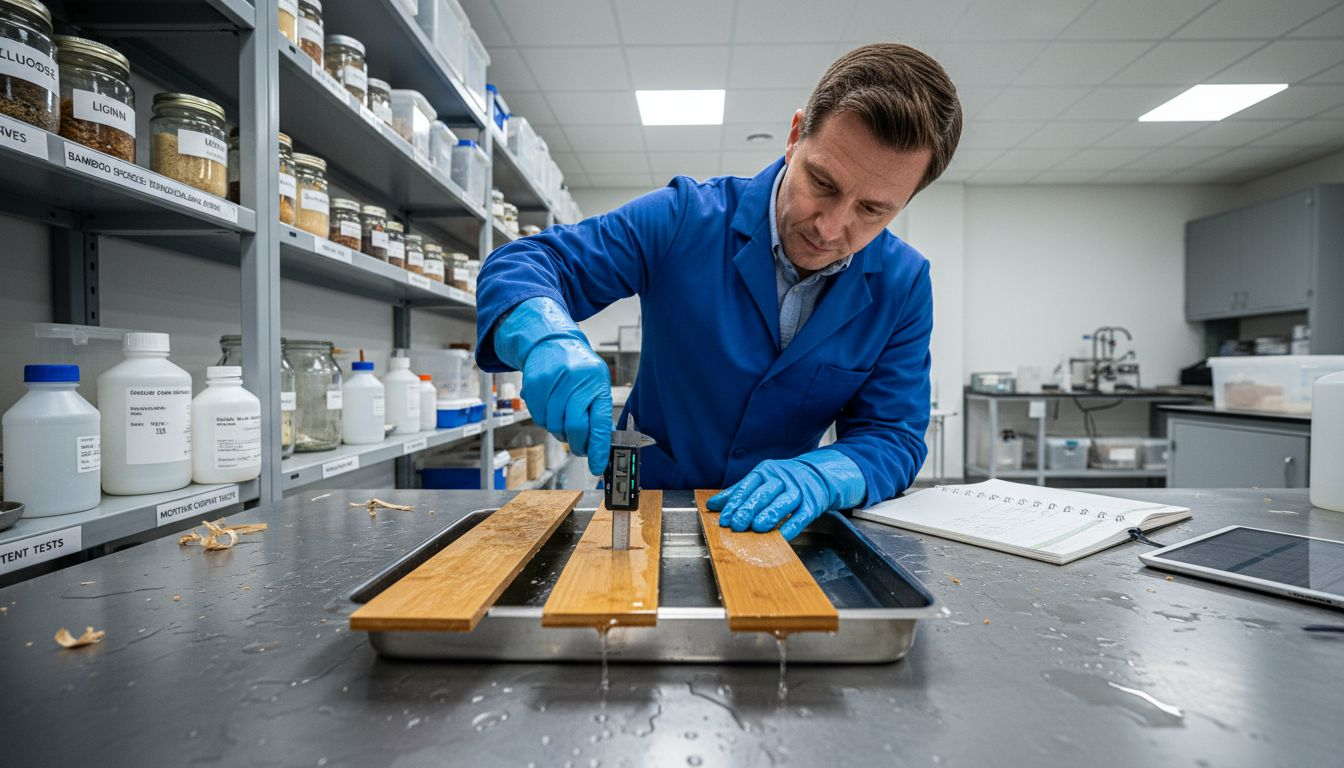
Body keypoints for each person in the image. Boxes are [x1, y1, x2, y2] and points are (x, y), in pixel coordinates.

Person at [476, 43, 962, 540]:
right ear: (795, 138)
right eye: (822, 183)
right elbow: (527, 262)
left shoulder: (902, 284)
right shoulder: (686, 217)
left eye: (873, 211)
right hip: (646, 512)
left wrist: (825, 474)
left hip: (779, 529)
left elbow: (892, 434)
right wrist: (544, 336)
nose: (831, 227)